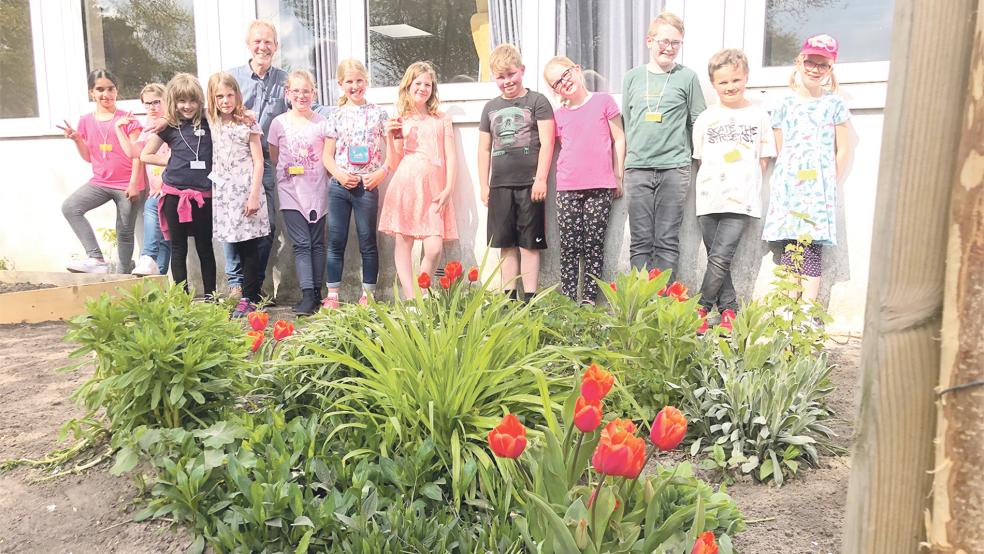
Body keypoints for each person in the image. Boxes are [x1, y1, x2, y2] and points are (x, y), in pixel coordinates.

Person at [692, 48, 776, 333]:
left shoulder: (758, 115)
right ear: (714, 84)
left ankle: (701, 308)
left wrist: (744, 182)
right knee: (718, 257)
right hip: (708, 198)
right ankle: (729, 310)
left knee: (721, 256)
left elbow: (763, 159)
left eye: (736, 80)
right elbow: (701, 157)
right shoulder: (706, 117)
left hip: (741, 200)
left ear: (746, 78)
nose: (730, 87)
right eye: (723, 82)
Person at [762, 34, 852, 303]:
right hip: (790, 187)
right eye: (810, 62)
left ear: (830, 68)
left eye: (822, 65)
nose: (815, 69)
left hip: (817, 191)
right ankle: (790, 307)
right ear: (800, 61)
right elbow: (779, 150)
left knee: (812, 248)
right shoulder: (783, 104)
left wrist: (829, 178)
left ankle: (807, 311)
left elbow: (844, 148)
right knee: (791, 247)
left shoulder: (834, 104)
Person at [622, 11, 706, 277]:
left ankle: (666, 307)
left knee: (667, 242)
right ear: (649, 40)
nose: (668, 48)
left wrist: (699, 164)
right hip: (638, 169)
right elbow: (627, 122)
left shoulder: (687, 77)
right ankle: (639, 305)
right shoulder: (632, 78)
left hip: (674, 169)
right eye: (663, 41)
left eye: (675, 43)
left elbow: (698, 123)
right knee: (640, 243)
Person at [542, 56, 625, 306]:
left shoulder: (604, 102)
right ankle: (568, 300)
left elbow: (618, 139)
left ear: (576, 70)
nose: (564, 82)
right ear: (554, 90)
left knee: (593, 244)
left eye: (565, 74)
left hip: (600, 187)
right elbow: (556, 146)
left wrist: (618, 175)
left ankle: (588, 299)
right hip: (568, 188)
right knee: (569, 246)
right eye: (556, 82)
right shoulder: (558, 116)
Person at [477, 44, 554, 302]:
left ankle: (529, 300)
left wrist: (541, 178)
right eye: (500, 77)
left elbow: (547, 142)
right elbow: (484, 149)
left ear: (521, 70)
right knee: (506, 244)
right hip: (499, 186)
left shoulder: (538, 102)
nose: (507, 81)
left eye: (511, 74)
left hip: (530, 185)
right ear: (494, 78)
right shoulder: (490, 108)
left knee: (529, 244)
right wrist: (483, 185)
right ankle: (509, 300)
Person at [378, 61, 457, 299]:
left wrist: (449, 188)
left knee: (434, 247)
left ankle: (422, 289)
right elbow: (393, 162)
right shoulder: (401, 119)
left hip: (434, 189)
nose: (423, 88)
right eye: (418, 83)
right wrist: (389, 138)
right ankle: (411, 298)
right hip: (406, 186)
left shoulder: (441, 118)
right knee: (404, 242)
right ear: (408, 86)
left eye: (428, 84)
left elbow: (451, 155)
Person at [225, 20, 289, 298]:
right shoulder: (232, 78)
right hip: (235, 159)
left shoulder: (284, 80)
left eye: (268, 42)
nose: (263, 47)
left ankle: (256, 285)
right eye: (258, 41)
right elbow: (216, 109)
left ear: (276, 46)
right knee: (234, 221)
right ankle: (235, 284)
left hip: (267, 160)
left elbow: (306, 105)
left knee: (267, 225)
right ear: (248, 44)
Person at [140, 73, 216, 297]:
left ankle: (212, 298)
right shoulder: (169, 127)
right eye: (182, 101)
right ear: (174, 101)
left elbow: (223, 112)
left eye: (192, 101)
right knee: (178, 248)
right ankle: (182, 300)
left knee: (205, 247)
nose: (187, 106)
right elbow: (146, 154)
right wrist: (173, 161)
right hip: (174, 195)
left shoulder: (208, 121)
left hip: (203, 196)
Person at [59, 69, 142, 274]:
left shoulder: (128, 118)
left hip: (126, 185)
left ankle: (123, 278)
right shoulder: (86, 121)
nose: (106, 94)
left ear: (117, 90)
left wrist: (134, 183)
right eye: (100, 89)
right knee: (70, 207)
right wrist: (78, 139)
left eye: (111, 88)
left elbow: (138, 154)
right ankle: (95, 258)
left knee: (124, 232)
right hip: (100, 182)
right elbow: (89, 157)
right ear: (91, 93)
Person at [321, 59, 388, 308]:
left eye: (359, 80)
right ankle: (333, 295)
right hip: (340, 187)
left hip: (367, 186)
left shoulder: (379, 113)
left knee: (367, 240)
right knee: (336, 240)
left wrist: (381, 173)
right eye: (349, 81)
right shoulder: (335, 115)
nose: (355, 85)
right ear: (340, 84)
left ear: (366, 82)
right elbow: (327, 155)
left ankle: (368, 294)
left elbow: (392, 151)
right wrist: (338, 174)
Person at [207, 71, 271, 317]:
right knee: (233, 243)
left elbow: (259, 161)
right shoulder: (211, 122)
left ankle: (250, 297)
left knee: (249, 247)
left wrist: (254, 194)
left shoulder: (248, 123)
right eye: (219, 96)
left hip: (246, 190)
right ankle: (241, 292)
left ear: (237, 95)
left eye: (229, 95)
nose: (225, 101)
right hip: (225, 195)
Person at [268, 70, 329, 315]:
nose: (301, 95)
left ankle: (316, 293)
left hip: (318, 192)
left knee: (317, 243)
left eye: (306, 91)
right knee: (302, 244)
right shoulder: (279, 123)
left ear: (313, 93)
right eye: (296, 91)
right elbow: (274, 157)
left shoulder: (322, 123)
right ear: (287, 93)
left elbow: (328, 155)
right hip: (291, 192)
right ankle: (307, 295)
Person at [129, 83, 171, 277]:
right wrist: (120, 130)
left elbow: (175, 157)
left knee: (151, 208)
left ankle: (147, 256)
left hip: (169, 186)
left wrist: (165, 183)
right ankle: (159, 281)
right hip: (155, 188)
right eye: (148, 104)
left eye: (156, 102)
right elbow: (134, 153)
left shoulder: (171, 123)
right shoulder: (147, 126)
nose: (152, 107)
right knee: (163, 236)